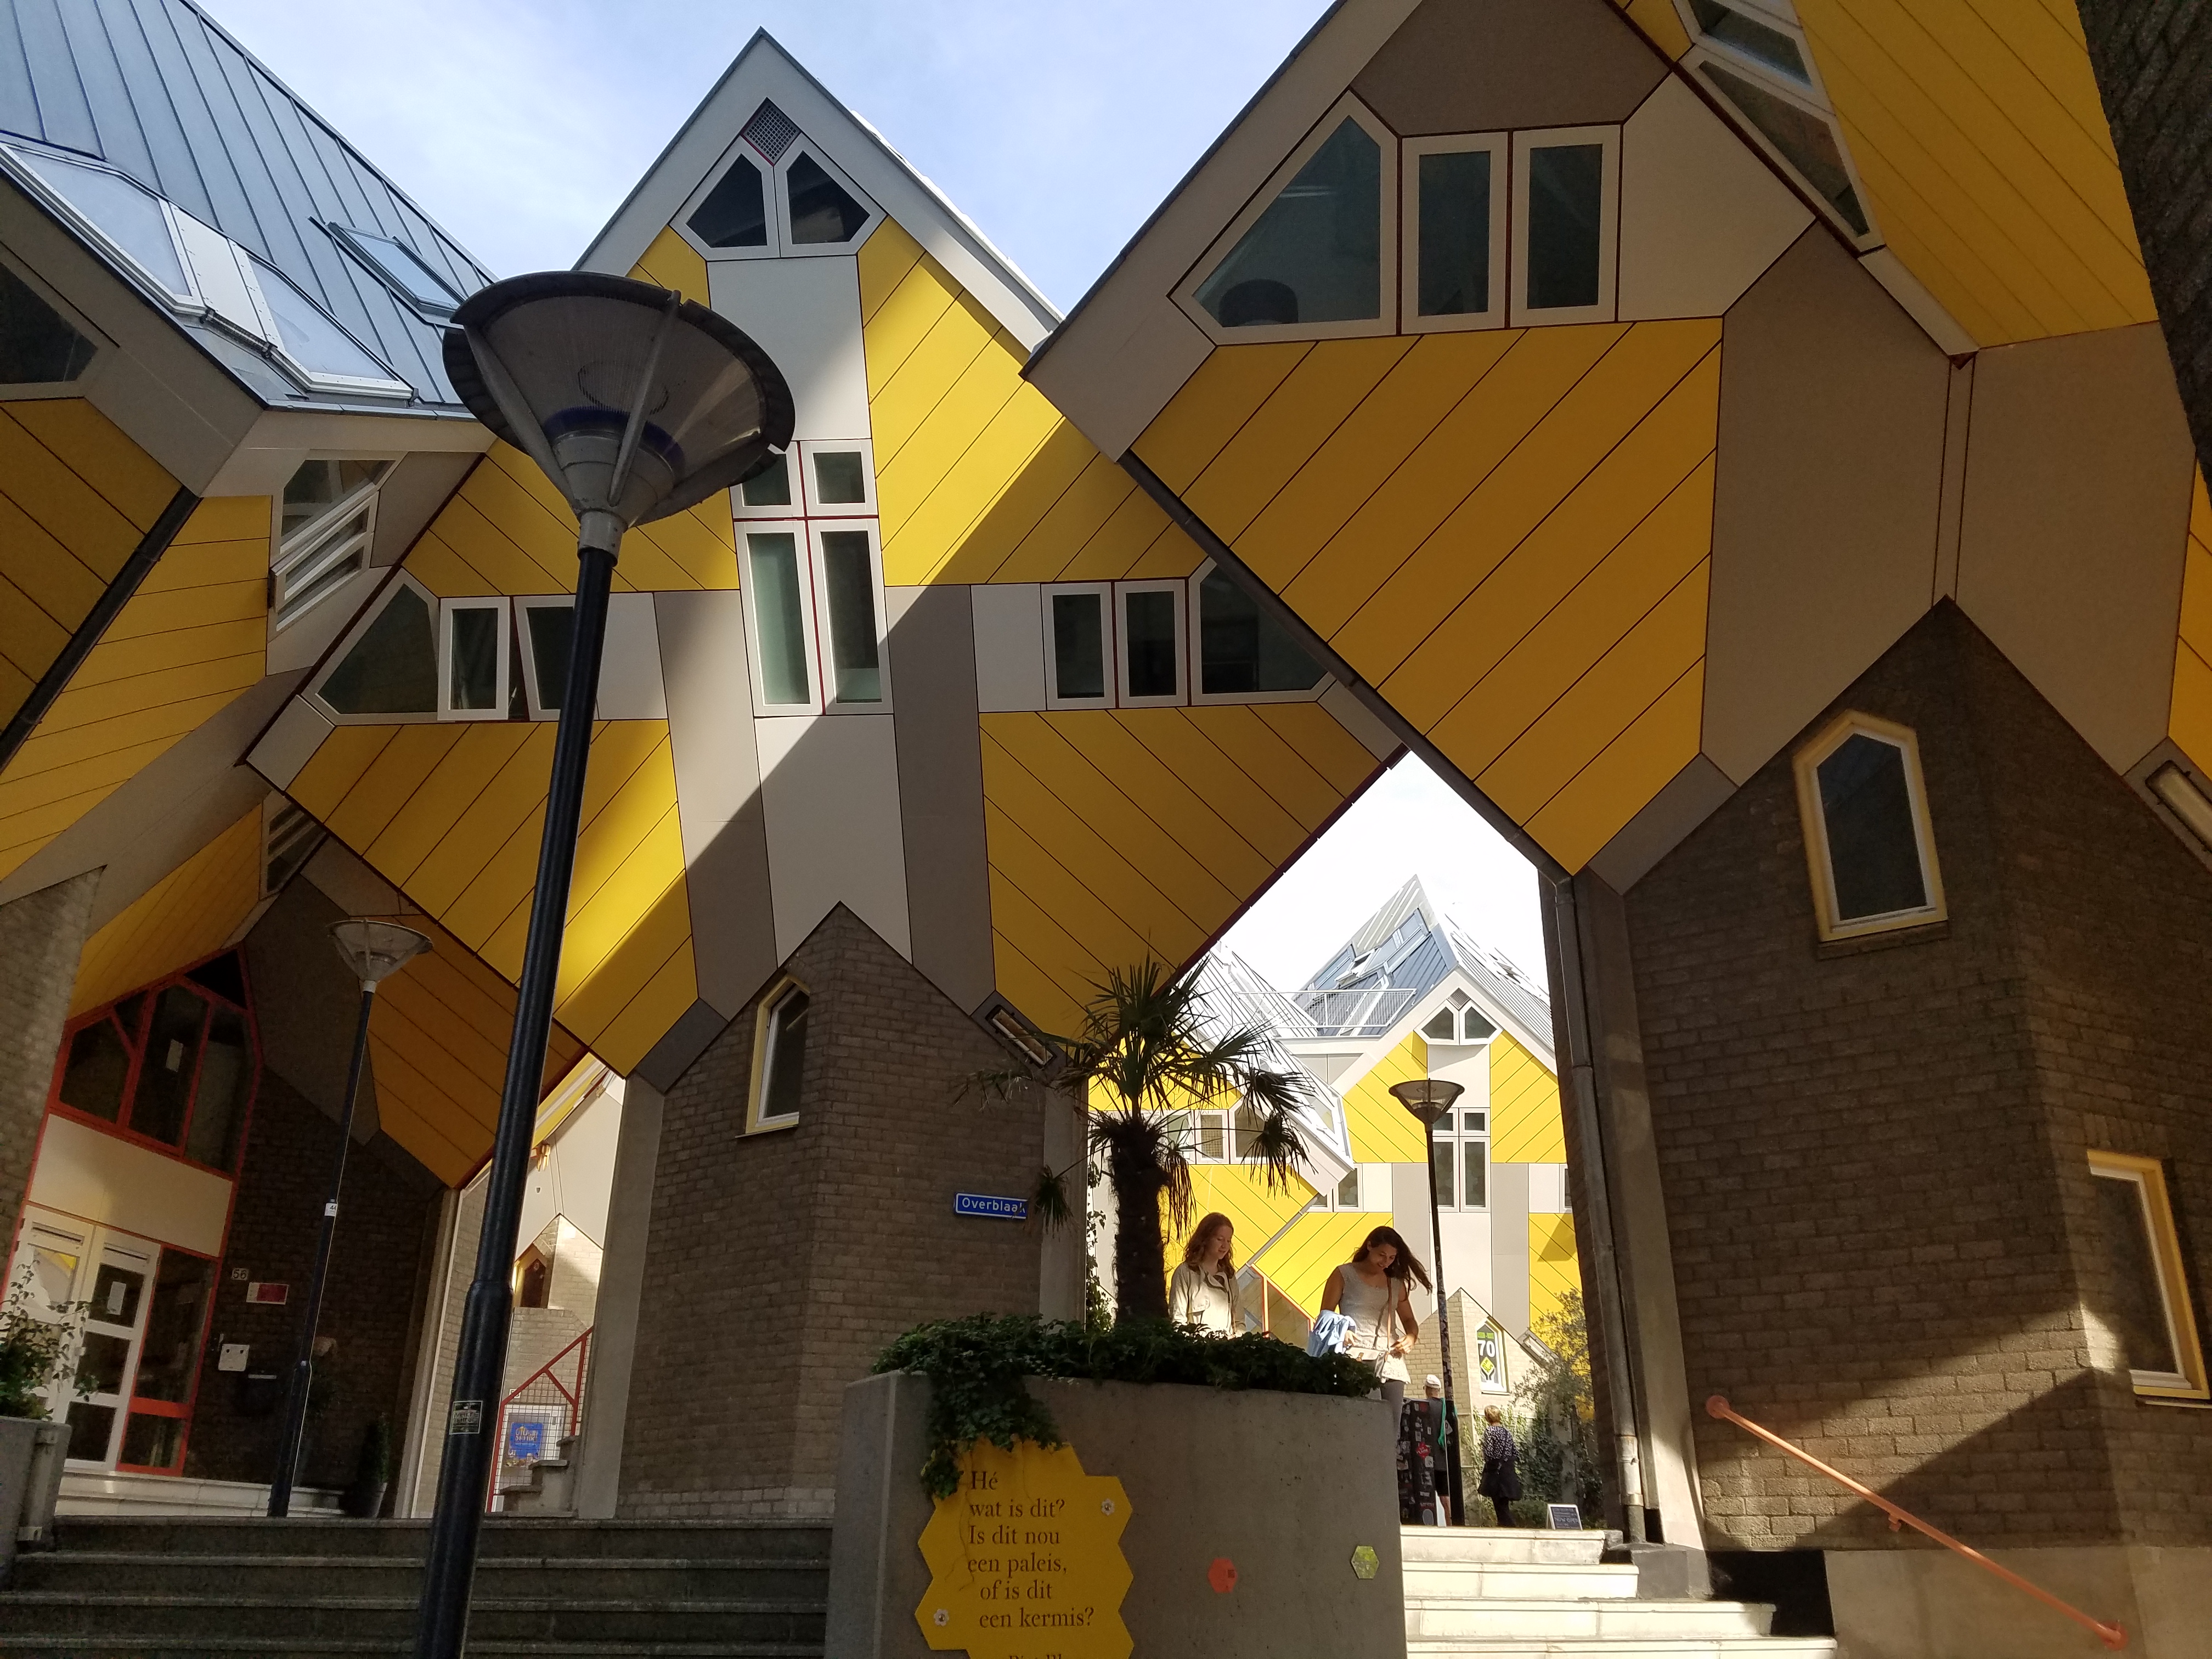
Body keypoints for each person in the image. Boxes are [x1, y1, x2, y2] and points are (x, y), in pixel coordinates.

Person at [1319, 1226, 1431, 1408]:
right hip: (1355, 1355)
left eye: (1392, 1258)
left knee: (1391, 1424)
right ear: (1370, 1246)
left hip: (1391, 1358)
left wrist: (1411, 1337)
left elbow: (1409, 1320)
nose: (1386, 1262)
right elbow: (1326, 1315)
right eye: (1382, 1255)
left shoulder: (1396, 1283)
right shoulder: (1344, 1274)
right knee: (1366, 1418)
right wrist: (1342, 1331)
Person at [1168, 1212, 1248, 1335]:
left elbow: (1239, 1324)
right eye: (1220, 1239)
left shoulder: (1229, 1277)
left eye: (1229, 1241)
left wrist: (1234, 1342)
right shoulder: (1185, 1273)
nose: (1224, 1246)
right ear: (1205, 1239)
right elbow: (1178, 1322)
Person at [1477, 1404, 1523, 1526]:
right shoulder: (1507, 1432)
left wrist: (1484, 1456)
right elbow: (1515, 1452)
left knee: (1498, 1503)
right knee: (1504, 1502)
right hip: (1508, 1470)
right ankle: (1504, 1525)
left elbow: (1489, 1452)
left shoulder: (1489, 1431)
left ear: (1487, 1417)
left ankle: (1510, 1526)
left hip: (1495, 1471)